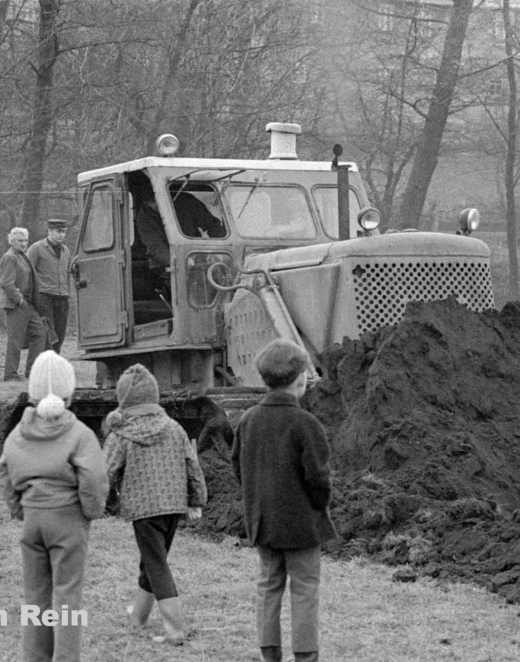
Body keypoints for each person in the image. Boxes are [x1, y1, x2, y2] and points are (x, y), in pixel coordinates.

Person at [0, 350, 109, 662]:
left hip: (32, 523)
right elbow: (94, 478)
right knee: (67, 597)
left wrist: (20, 509)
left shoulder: (19, 433)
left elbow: (3, 471)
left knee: (35, 597)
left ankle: (35, 657)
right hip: (68, 522)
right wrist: (91, 511)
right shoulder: (80, 434)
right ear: (70, 392)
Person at [230, 339, 337, 662]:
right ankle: (305, 655)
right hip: (302, 523)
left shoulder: (248, 419)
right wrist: (320, 505)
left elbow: (238, 466)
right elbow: (318, 479)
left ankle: (269, 653)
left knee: (268, 584)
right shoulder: (306, 424)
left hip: (263, 520)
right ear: (301, 379)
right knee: (305, 588)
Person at [102, 363, 208, 645]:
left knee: (156, 564)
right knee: (151, 562)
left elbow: (105, 473)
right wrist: (196, 499)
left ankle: (174, 630)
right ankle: (137, 618)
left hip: (144, 510)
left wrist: (105, 501)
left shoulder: (121, 434)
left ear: (123, 400)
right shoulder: (175, 428)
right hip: (174, 507)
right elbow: (192, 466)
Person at [133, 180, 225, 302]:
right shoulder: (144, 217)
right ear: (146, 203)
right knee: (188, 290)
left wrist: (219, 248)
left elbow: (212, 225)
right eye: (152, 204)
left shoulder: (186, 201)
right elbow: (155, 247)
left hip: (195, 256)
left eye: (158, 201)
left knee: (222, 275)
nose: (157, 207)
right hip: (164, 264)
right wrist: (178, 261)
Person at [0, 227, 47, 381]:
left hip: (28, 304)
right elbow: (6, 283)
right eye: (20, 241)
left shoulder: (22, 256)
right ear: (12, 241)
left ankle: (32, 371)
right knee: (15, 340)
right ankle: (10, 374)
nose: (24, 243)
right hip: (16, 305)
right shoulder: (10, 257)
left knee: (40, 333)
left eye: (26, 240)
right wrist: (19, 299)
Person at [26, 219, 72, 354]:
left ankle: (55, 361)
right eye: (58, 231)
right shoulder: (36, 248)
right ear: (49, 231)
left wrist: (68, 293)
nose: (62, 235)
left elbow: (67, 273)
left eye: (64, 232)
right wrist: (30, 297)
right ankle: (46, 365)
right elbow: (27, 271)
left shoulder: (66, 250)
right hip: (44, 297)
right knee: (48, 334)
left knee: (60, 334)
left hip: (62, 297)